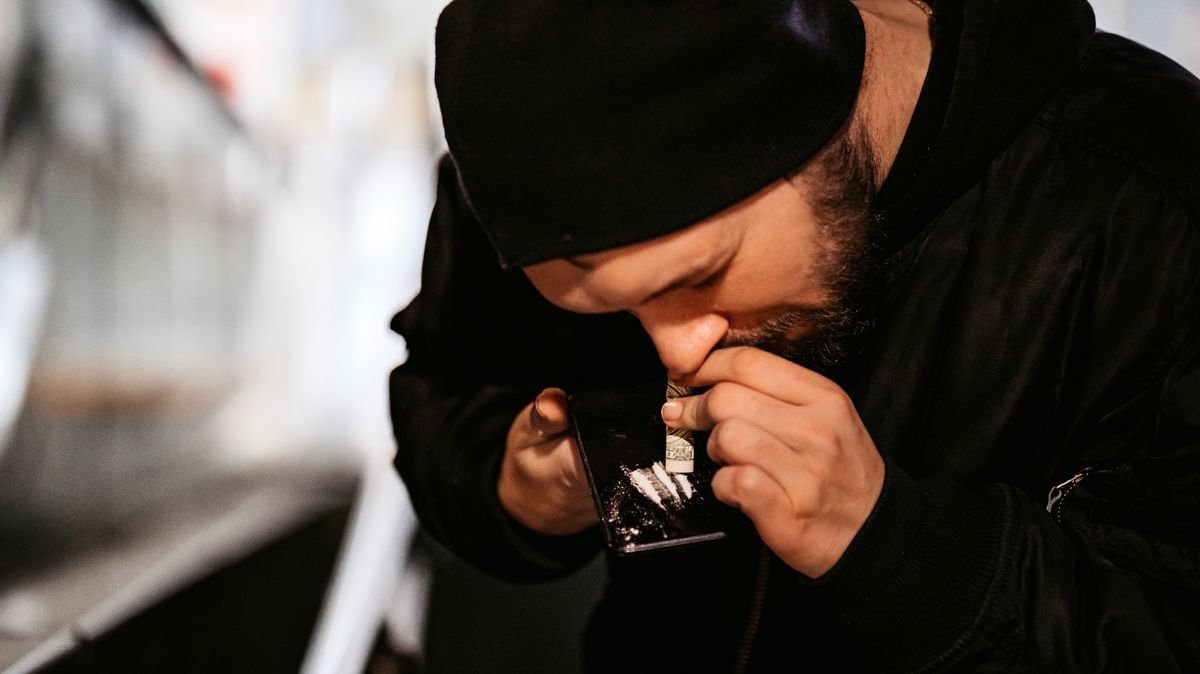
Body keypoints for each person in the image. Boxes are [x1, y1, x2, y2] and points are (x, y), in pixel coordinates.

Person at [390, 0, 1200, 670]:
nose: (677, 352)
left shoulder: (1157, 201)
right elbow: (445, 387)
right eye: (608, 312)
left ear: (818, 118)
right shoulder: (529, 154)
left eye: (698, 276)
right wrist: (515, 491)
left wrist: (894, 545)